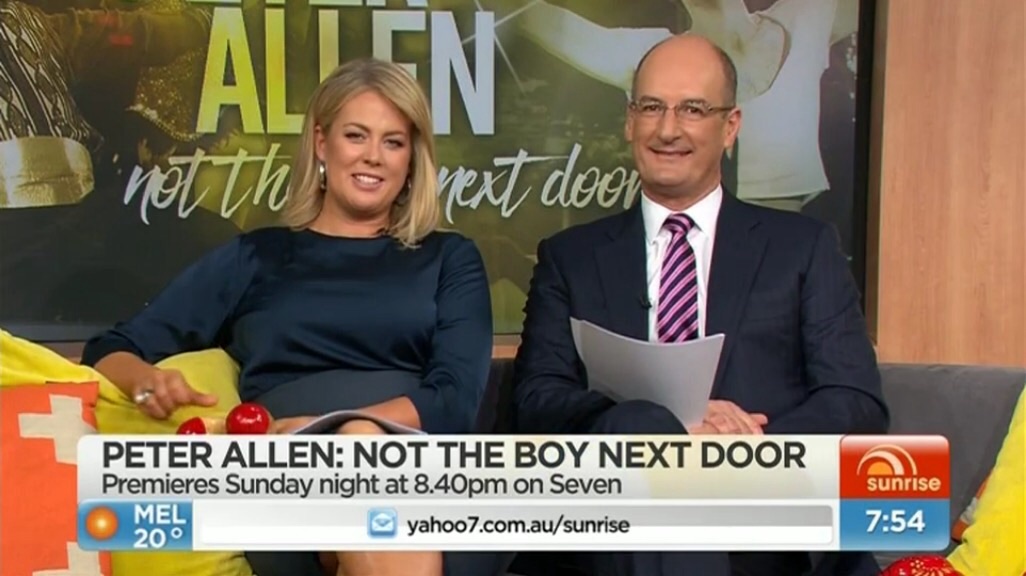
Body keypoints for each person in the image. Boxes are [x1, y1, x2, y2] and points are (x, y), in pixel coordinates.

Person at [80, 57, 506, 576]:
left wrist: (344, 429)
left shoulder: (449, 259)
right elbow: (111, 347)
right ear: (322, 143)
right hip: (286, 482)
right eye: (356, 136)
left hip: (422, 480)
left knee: (361, 447)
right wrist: (146, 382)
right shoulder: (255, 257)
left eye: (393, 142)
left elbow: (455, 399)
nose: (373, 156)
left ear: (412, 159)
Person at [510, 34, 888, 576]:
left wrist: (739, 452)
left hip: (758, 520)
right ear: (629, 121)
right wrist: (661, 433)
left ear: (730, 127)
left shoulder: (801, 247)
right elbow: (537, 400)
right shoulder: (571, 257)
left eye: (692, 109)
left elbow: (855, 399)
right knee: (640, 425)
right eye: (651, 107)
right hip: (617, 526)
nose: (668, 129)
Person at [510, 0, 858, 211]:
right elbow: (538, 19)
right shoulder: (653, 55)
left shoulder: (807, 15)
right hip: (695, 246)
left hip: (789, 238)